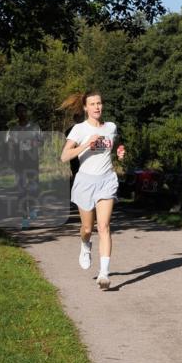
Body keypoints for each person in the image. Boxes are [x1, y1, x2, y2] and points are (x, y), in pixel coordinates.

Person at [60, 92, 125, 290]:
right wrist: (87, 144)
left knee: (104, 226)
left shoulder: (111, 127)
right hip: (85, 182)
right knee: (88, 229)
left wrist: (120, 152)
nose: (97, 107)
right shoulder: (79, 129)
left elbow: (114, 145)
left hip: (107, 180)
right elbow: (64, 156)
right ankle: (85, 245)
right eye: (92, 104)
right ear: (85, 108)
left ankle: (104, 274)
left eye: (99, 103)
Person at [5, 103, 42, 227]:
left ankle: (32, 208)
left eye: (23, 111)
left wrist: (33, 144)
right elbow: (9, 147)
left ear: (27, 112)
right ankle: (24, 218)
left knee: (33, 189)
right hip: (19, 164)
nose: (22, 113)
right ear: (16, 114)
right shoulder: (12, 130)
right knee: (21, 191)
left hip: (32, 163)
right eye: (19, 111)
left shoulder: (35, 127)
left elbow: (41, 142)